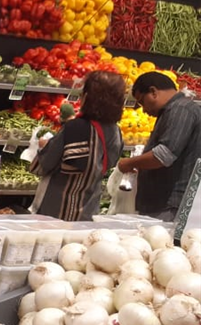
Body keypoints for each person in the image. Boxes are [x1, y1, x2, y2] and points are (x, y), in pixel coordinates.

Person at [30, 70, 124, 221]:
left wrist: (44, 146)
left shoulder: (75, 127)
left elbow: (46, 164)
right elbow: (110, 162)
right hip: (90, 208)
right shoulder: (115, 130)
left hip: (59, 208)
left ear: (87, 97)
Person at [118, 71, 201, 220]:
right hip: (164, 203)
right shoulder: (172, 110)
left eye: (142, 102)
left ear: (153, 92)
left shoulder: (180, 109)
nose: (144, 110)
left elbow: (163, 155)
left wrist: (129, 162)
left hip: (170, 204)